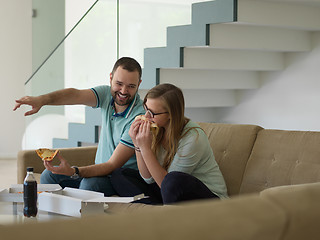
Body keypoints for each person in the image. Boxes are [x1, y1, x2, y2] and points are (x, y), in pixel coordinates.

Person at [13, 57, 145, 196]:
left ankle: (78, 216)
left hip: (119, 179)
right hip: (99, 173)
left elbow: (111, 166)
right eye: (119, 83)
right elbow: (75, 95)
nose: (123, 91)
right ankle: (56, 216)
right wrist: (42, 100)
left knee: (89, 185)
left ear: (139, 84)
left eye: (131, 86)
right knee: (48, 175)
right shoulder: (107, 95)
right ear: (110, 78)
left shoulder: (138, 117)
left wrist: (74, 171)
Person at [110, 83, 228, 204]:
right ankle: (157, 209)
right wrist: (137, 144)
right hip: (169, 191)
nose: (146, 116)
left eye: (152, 113)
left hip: (210, 198)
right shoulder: (157, 128)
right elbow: (148, 179)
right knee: (119, 175)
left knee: (172, 180)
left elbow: (167, 183)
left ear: (171, 114)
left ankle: (160, 211)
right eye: (146, 108)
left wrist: (145, 148)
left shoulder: (194, 138)